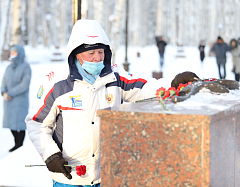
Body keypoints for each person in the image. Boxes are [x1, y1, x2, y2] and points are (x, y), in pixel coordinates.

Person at [25, 19, 199, 187]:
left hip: (106, 174)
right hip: (69, 177)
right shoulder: (57, 83)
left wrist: (174, 83)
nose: (97, 58)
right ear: (77, 54)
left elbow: (145, 87)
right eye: (91, 53)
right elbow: (37, 123)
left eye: (101, 52)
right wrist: (50, 155)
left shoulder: (115, 77)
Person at [1, 45, 31, 152]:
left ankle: (20, 145)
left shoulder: (26, 67)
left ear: (20, 53)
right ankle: (16, 144)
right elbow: (4, 81)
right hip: (8, 101)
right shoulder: (9, 67)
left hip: (20, 100)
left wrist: (10, 93)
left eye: (15, 52)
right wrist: (4, 92)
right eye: (11, 52)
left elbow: (24, 85)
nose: (12, 54)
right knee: (11, 122)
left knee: (20, 123)